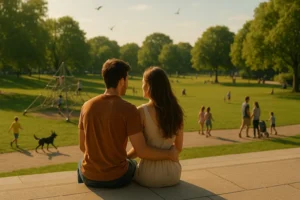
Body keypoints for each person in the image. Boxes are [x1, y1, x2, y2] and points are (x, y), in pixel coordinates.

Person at [77, 59, 178, 189]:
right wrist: (169, 154)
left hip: (89, 177)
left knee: (81, 163)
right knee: (133, 164)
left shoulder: (86, 106)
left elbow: (82, 146)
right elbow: (141, 150)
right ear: (122, 81)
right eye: (127, 79)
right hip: (116, 178)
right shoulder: (129, 109)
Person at [127, 67, 183, 188]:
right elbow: (178, 147)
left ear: (149, 86)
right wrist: (168, 153)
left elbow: (139, 150)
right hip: (173, 174)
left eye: (143, 83)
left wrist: (124, 158)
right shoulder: (177, 111)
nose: (141, 86)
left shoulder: (141, 112)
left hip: (148, 176)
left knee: (129, 165)